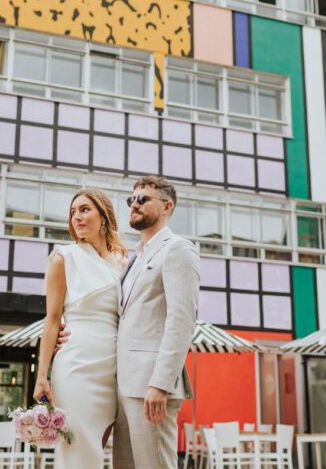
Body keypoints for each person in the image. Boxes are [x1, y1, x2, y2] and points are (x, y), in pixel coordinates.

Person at [33, 188, 127, 468]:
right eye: (73, 212)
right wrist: (42, 375)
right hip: (75, 365)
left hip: (114, 366)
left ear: (104, 216)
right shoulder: (63, 258)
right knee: (76, 448)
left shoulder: (124, 263)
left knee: (96, 449)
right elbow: (51, 320)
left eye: (85, 209)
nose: (77, 217)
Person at [112, 175, 199, 469]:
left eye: (143, 199)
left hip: (151, 387)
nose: (134, 205)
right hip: (124, 386)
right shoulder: (133, 257)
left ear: (167, 207)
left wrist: (160, 384)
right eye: (131, 199)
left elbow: (182, 319)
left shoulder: (178, 249)